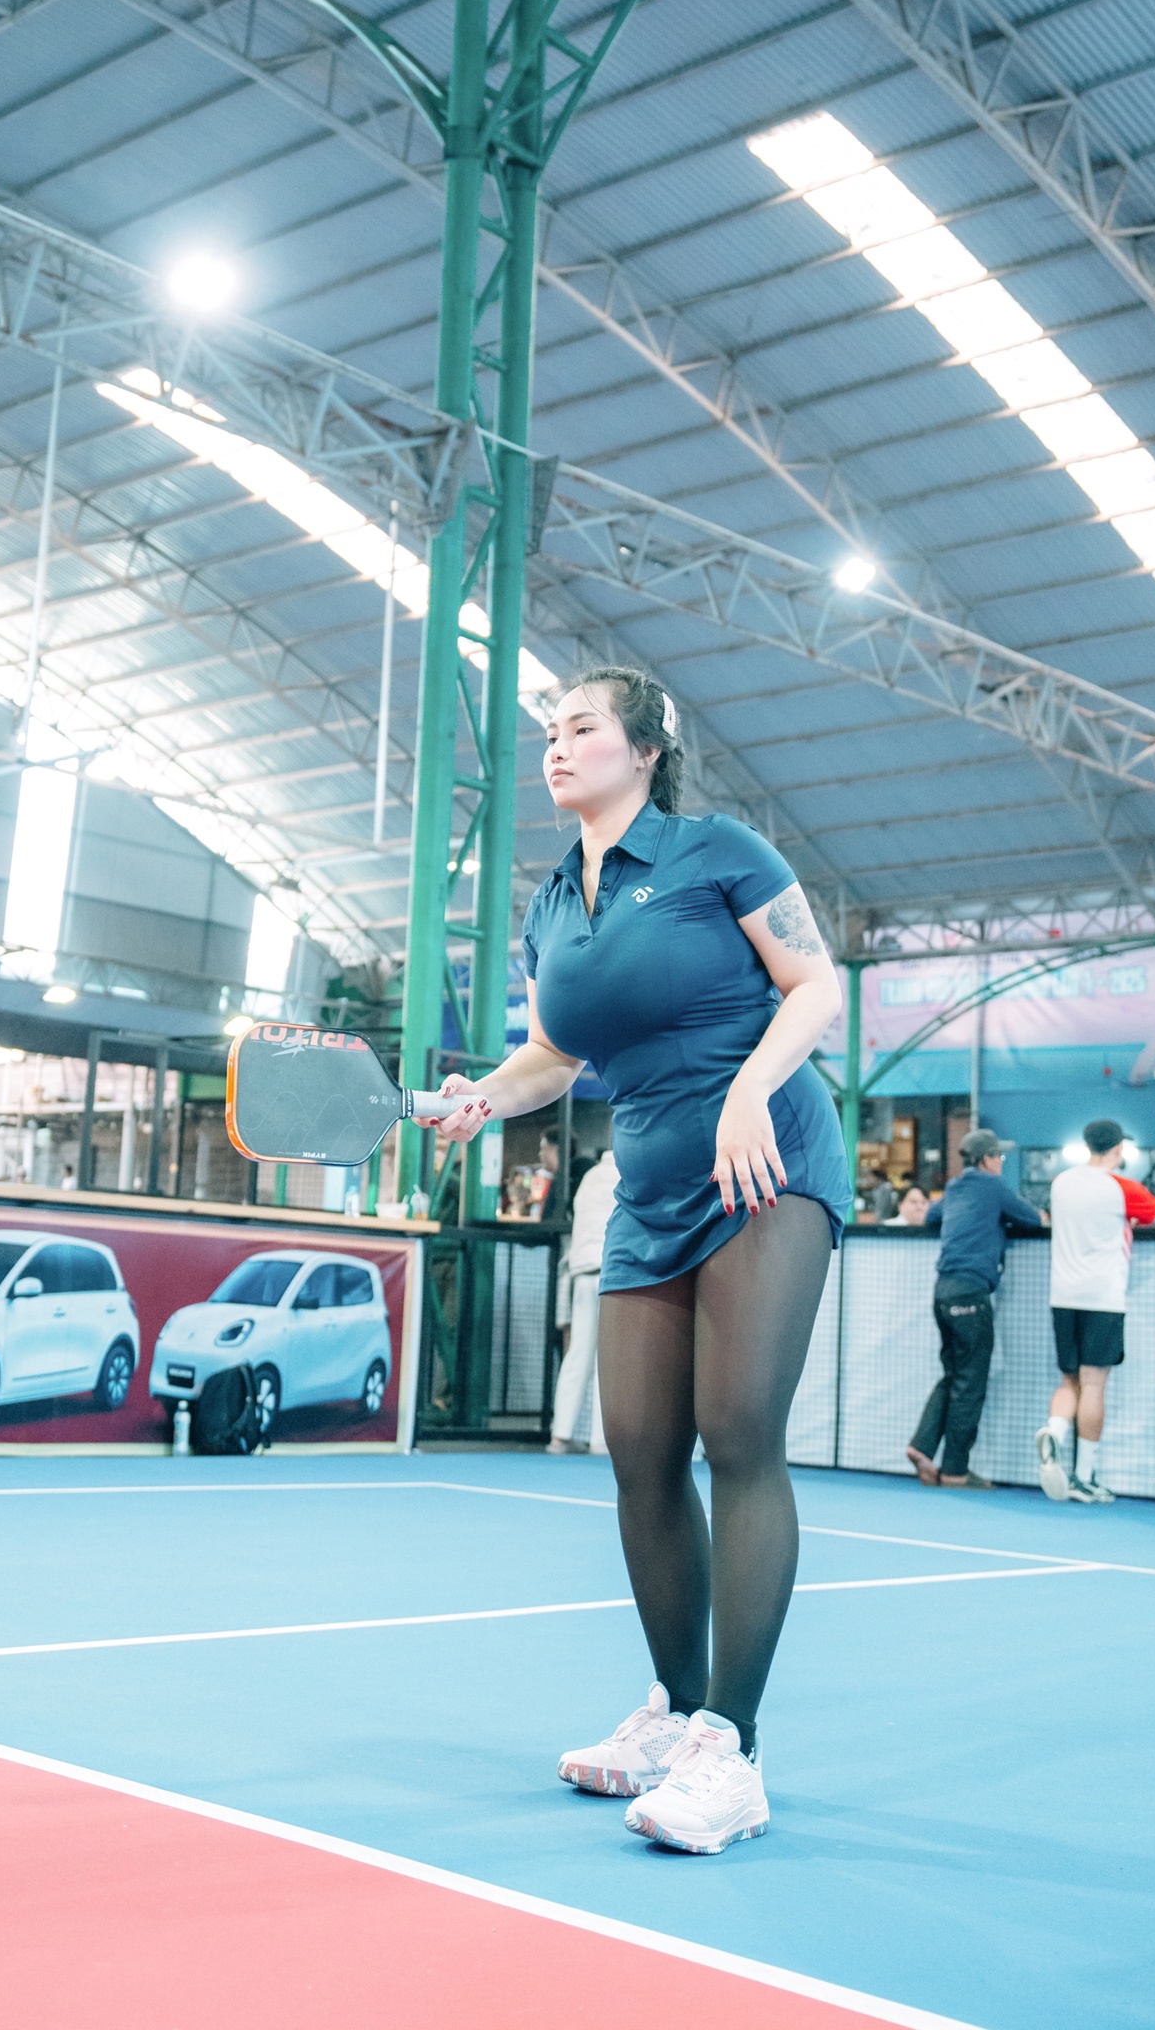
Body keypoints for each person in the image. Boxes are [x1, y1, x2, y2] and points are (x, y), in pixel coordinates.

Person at [436, 666, 849, 1855]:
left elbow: (815, 985)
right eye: (550, 732)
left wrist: (751, 1091)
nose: (557, 747)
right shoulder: (551, 906)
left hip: (767, 1164)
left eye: (583, 728)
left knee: (738, 1431)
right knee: (639, 1454)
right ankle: (674, 1713)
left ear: (645, 750)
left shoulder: (718, 852)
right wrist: (483, 1096)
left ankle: (733, 1750)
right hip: (650, 1190)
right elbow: (554, 1056)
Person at [1036, 1119, 1155, 1505]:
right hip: (1102, 1298)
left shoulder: (1061, 1183)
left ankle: (1055, 1431)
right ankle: (1084, 1477)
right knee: (1094, 1385)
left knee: (1069, 1382)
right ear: (1118, 1149)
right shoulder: (1123, 1188)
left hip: (1062, 1296)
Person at [906, 1129, 1043, 1490]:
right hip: (971, 1292)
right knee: (971, 1382)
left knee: (954, 1374)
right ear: (987, 1159)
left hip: (943, 1291)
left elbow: (931, 1218)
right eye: (1000, 1157)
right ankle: (955, 1471)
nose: (1001, 1163)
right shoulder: (992, 1187)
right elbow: (1033, 1219)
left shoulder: (955, 1188)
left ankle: (922, 1446)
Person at [547, 1142, 619, 1454]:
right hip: (612, 1270)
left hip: (581, 1271)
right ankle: (600, 1440)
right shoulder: (627, 1174)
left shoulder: (590, 1178)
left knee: (578, 1353)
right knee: (610, 1356)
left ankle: (559, 1435)